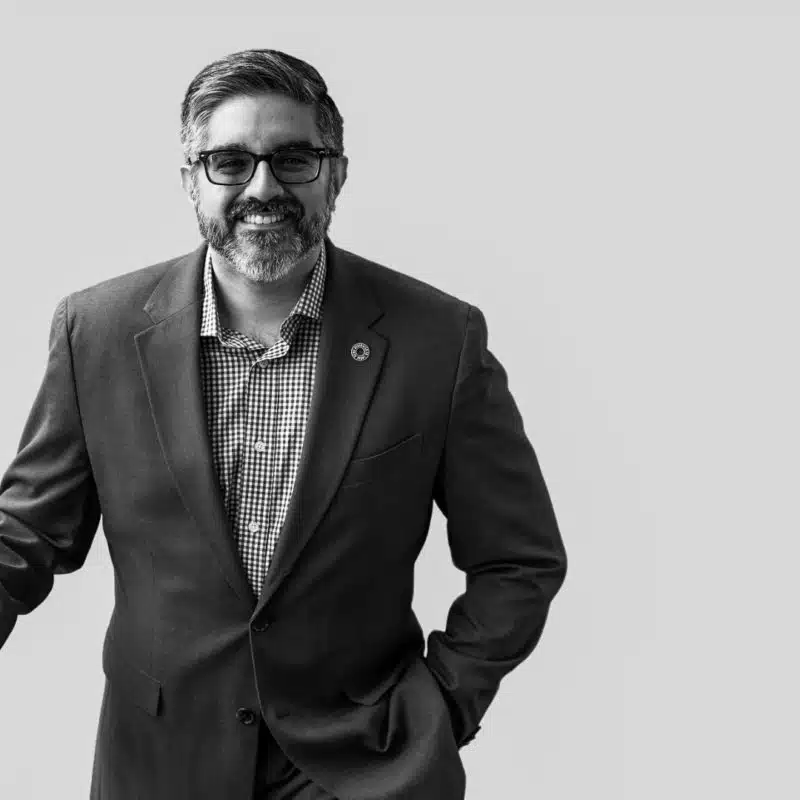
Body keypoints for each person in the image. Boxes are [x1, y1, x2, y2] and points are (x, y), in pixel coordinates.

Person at [0, 48, 568, 800]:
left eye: (294, 159)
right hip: (160, 766)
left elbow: (519, 558)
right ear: (191, 180)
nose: (262, 187)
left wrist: (444, 706)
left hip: (367, 768)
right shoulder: (95, 333)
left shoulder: (439, 339)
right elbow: (27, 535)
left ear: (337, 174)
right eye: (229, 162)